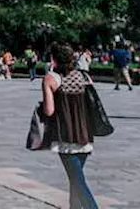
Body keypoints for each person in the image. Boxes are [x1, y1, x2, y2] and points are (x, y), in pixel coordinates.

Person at [42, 43, 98, 209]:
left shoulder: (51, 78)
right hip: (85, 134)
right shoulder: (85, 77)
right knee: (75, 179)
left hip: (65, 135)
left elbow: (49, 110)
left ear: (54, 59)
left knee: (78, 181)